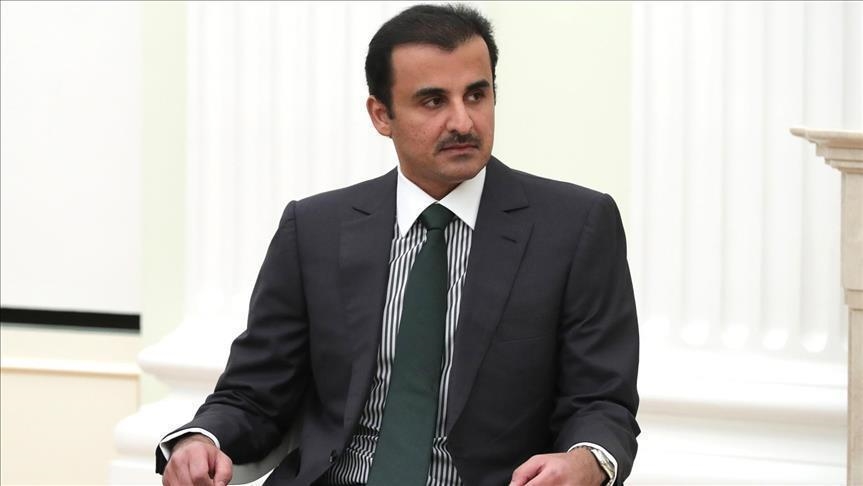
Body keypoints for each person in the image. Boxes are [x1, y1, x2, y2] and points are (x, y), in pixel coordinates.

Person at [156, 4, 639, 486]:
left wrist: (586, 461)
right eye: (433, 101)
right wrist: (202, 440)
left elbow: (601, 401)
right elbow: (256, 392)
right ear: (381, 114)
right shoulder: (314, 229)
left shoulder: (575, 227)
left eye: (477, 95)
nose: (463, 122)